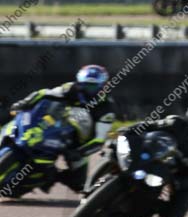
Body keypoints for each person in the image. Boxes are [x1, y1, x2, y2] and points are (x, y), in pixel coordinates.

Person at [109, 98, 188, 217]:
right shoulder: (176, 123)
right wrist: (130, 129)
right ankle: (111, 167)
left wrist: (179, 183)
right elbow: (149, 125)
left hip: (182, 177)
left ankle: (148, 208)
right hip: (157, 159)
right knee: (121, 144)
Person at [10, 64, 116, 192]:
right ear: (79, 83)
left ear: (103, 86)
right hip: (53, 125)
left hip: (78, 143)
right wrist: (23, 103)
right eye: (85, 85)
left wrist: (79, 152)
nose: (88, 90)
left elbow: (99, 140)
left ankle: (51, 176)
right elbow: (44, 93)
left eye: (93, 87)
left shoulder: (107, 109)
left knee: (79, 183)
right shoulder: (70, 88)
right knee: (18, 119)